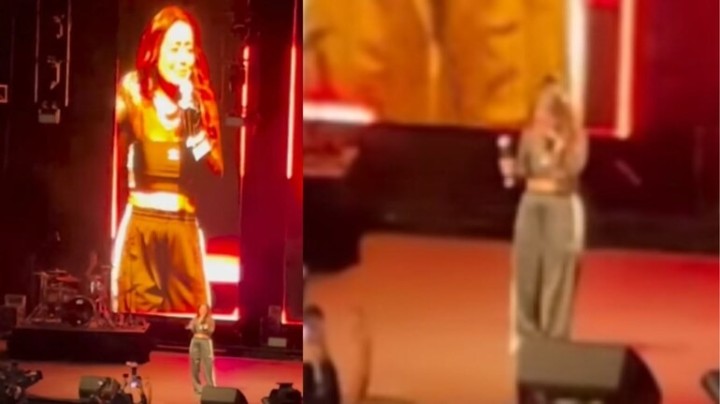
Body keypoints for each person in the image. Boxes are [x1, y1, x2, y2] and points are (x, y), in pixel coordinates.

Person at [111, 6, 222, 314]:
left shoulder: (200, 99)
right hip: (142, 226)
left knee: (192, 323)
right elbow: (112, 155)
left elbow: (215, 169)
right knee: (136, 320)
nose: (182, 58)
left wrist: (193, 124)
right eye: (174, 48)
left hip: (183, 228)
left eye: (188, 49)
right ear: (155, 49)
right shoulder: (133, 92)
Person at [499, 77, 588, 351]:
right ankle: (526, 332)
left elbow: (573, 170)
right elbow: (522, 171)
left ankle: (554, 336)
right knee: (527, 266)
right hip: (531, 203)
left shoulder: (575, 138)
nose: (542, 117)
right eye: (540, 110)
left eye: (547, 111)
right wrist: (511, 170)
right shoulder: (530, 136)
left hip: (560, 205)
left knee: (557, 270)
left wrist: (558, 149)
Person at [303, 305, 341, 404]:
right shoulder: (305, 365)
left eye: (320, 328)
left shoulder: (328, 365)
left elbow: (334, 398)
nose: (319, 333)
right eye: (313, 327)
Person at [187, 303, 216, 395]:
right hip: (195, 342)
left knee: (207, 364)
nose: (202, 310)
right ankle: (197, 387)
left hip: (205, 342)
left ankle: (210, 386)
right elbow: (191, 328)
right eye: (201, 309)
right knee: (195, 365)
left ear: (207, 311)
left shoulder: (210, 320)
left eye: (204, 309)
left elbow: (210, 330)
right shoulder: (195, 319)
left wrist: (203, 326)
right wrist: (198, 322)